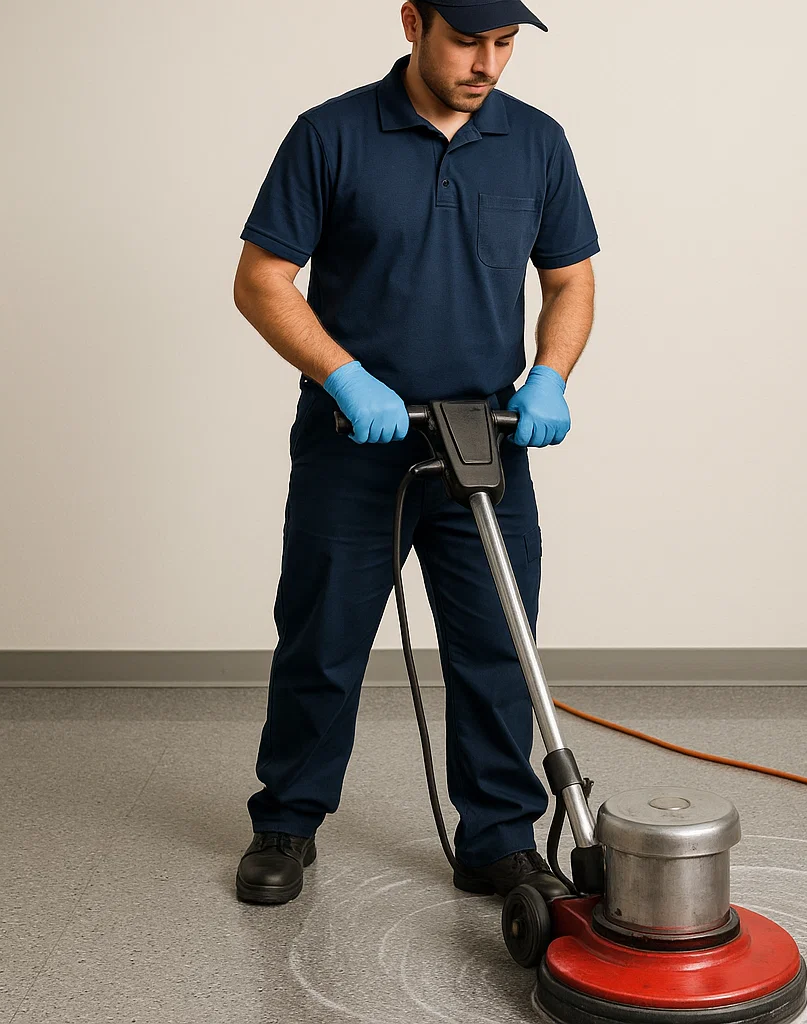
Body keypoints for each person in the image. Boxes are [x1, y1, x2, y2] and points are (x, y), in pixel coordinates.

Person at [231, 0, 599, 905]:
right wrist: (344, 377)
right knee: (323, 638)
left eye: (504, 44)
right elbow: (261, 279)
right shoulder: (330, 135)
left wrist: (549, 374)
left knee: (495, 647)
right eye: (467, 39)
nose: (487, 63)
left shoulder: (537, 142)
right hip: (358, 440)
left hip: (485, 441)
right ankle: (288, 818)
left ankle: (499, 839)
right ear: (412, 23)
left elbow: (570, 279)